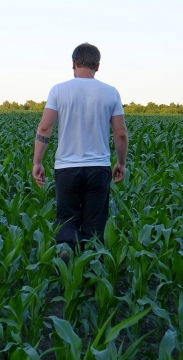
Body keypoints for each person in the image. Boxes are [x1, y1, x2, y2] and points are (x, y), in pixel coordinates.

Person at [32, 42, 129, 261]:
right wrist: (121, 163)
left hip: (67, 168)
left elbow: (45, 128)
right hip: (98, 168)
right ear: (98, 66)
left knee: (67, 220)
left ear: (73, 63)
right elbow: (121, 133)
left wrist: (37, 161)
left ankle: (66, 252)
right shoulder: (111, 92)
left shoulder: (59, 90)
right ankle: (93, 274)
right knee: (95, 225)